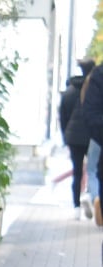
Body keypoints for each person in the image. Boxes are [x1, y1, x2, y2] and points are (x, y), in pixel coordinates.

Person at [59, 58, 95, 219]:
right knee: (94, 169)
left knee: (77, 172)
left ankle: (76, 207)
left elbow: (63, 118)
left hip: (73, 137)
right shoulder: (94, 90)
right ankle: (91, 195)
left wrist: (66, 137)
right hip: (92, 136)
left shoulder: (69, 92)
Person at [83, 60, 103, 226]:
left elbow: (89, 114)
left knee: (90, 169)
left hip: (96, 138)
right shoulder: (99, 76)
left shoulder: (96, 77)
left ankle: (95, 196)